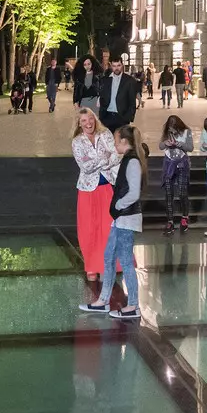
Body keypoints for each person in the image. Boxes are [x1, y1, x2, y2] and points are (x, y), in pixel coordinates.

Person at [81, 125, 147, 320]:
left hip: (127, 216)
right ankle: (103, 300)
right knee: (108, 256)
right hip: (120, 218)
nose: (114, 144)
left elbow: (134, 193)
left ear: (124, 142)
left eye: (116, 140)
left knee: (125, 261)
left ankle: (133, 305)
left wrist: (118, 205)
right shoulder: (127, 159)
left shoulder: (133, 162)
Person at [70, 106, 123, 310]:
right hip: (87, 190)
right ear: (79, 124)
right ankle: (91, 266)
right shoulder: (77, 142)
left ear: (95, 119)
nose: (88, 123)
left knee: (108, 229)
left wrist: (99, 161)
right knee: (89, 230)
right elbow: (85, 167)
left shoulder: (106, 134)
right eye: (84, 121)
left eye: (90, 119)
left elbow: (116, 157)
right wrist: (104, 159)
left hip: (107, 187)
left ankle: (106, 267)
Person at [159, 114, 193, 234]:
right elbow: (160, 146)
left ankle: (184, 218)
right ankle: (170, 221)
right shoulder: (166, 133)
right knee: (169, 194)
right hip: (169, 164)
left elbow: (191, 147)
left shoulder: (186, 132)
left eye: (174, 126)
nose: (172, 128)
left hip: (182, 164)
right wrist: (165, 143)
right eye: (170, 126)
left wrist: (180, 144)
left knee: (183, 192)